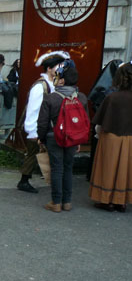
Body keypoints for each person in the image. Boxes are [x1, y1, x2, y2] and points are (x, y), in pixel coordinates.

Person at [37, 60, 88, 213]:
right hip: (73, 137)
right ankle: (67, 202)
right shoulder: (82, 97)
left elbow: (42, 122)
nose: (55, 79)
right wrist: (79, 140)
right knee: (68, 168)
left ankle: (56, 202)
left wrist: (42, 138)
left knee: (57, 168)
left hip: (55, 137)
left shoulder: (51, 98)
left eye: (58, 77)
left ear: (63, 80)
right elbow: (85, 121)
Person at [16, 51, 64, 194]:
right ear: (49, 68)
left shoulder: (53, 84)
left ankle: (32, 179)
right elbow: (32, 110)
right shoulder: (40, 86)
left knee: (37, 154)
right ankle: (24, 181)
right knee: (32, 154)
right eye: (58, 66)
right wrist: (33, 131)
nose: (61, 69)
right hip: (37, 128)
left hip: (46, 127)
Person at [88, 62, 132, 212]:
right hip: (129, 138)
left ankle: (106, 200)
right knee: (125, 169)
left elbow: (99, 122)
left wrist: (97, 132)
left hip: (111, 136)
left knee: (108, 166)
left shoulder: (113, 97)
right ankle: (121, 201)